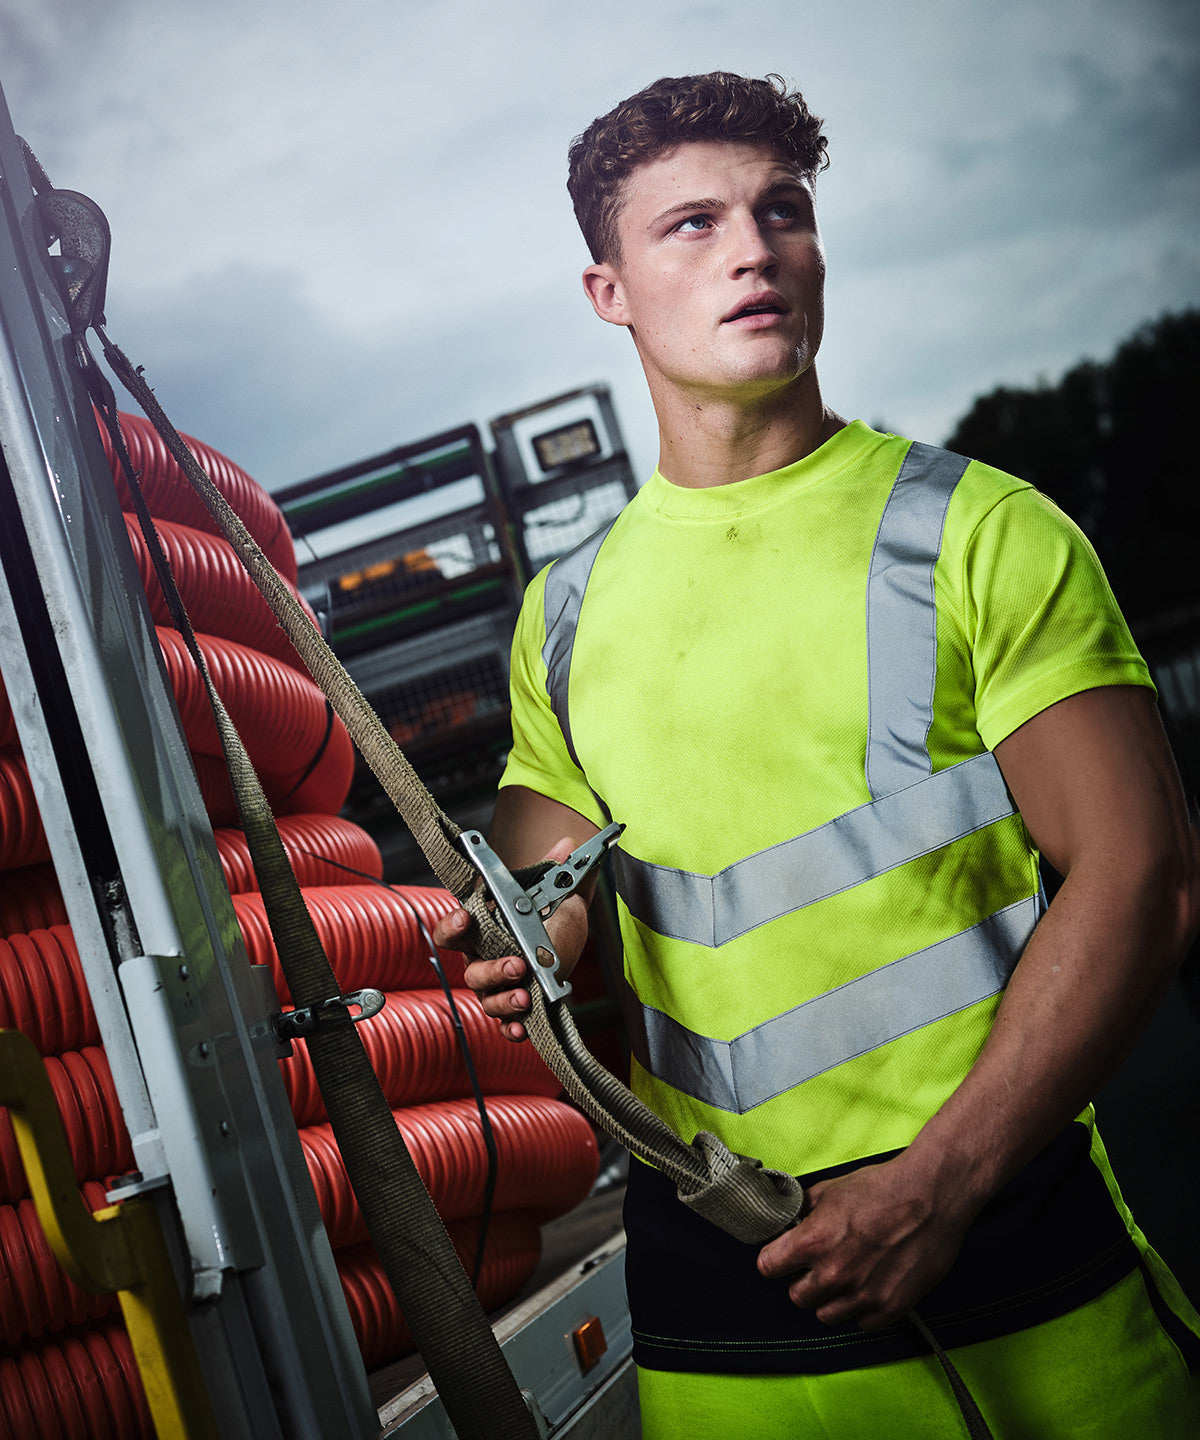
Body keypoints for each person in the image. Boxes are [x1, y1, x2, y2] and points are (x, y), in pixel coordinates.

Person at [433, 72, 1200, 1437]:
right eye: (692, 224)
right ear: (608, 292)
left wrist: (942, 1187)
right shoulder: (565, 611)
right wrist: (521, 948)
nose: (752, 248)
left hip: (1007, 1266)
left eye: (782, 211)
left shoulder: (977, 530)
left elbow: (1146, 876)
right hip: (716, 1308)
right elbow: (556, 909)